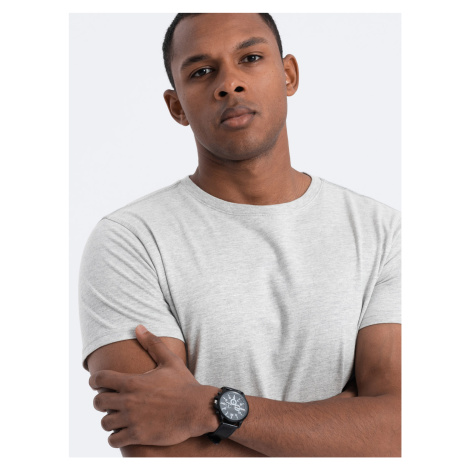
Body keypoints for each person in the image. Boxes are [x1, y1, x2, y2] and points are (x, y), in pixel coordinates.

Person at [79, 13, 401, 457]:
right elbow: (158, 451)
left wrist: (207, 410)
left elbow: (400, 431)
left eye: (250, 58)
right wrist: (340, 429)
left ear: (288, 75)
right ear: (176, 107)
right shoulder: (130, 242)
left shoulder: (383, 233)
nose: (229, 84)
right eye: (201, 71)